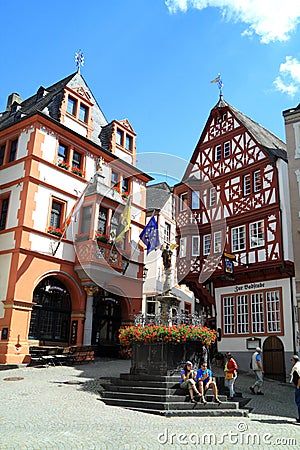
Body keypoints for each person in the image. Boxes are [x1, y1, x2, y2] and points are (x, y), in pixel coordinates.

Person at [290, 355, 300, 423]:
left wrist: (298, 386)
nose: (291, 361)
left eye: (291, 360)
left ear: (294, 361)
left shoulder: (296, 367)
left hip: (299, 387)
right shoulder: (298, 365)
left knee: (299, 402)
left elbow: (299, 377)